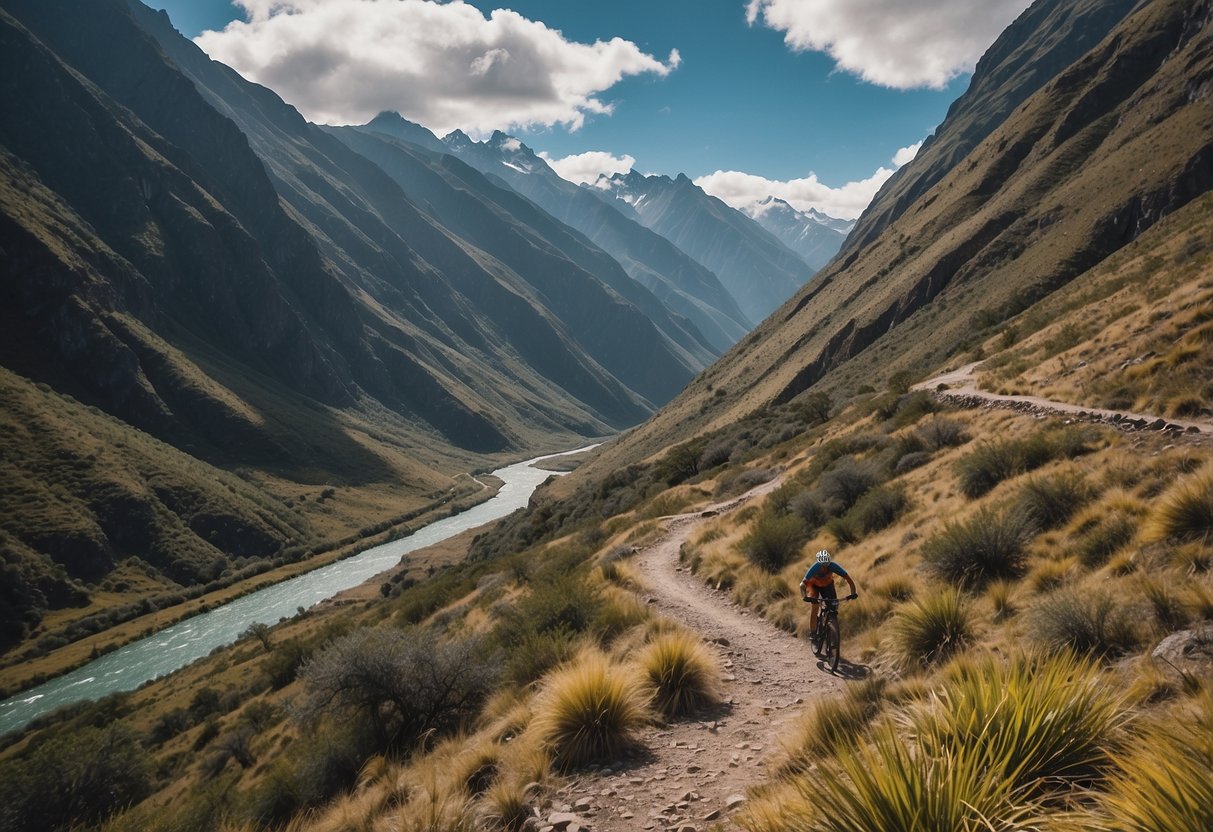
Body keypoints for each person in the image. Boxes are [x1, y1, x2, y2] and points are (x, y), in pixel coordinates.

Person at [800, 549, 858, 646]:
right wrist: (805, 596)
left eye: (826, 565)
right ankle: (813, 632)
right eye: (822, 565)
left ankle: (831, 627)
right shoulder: (814, 568)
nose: (824, 568)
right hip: (814, 586)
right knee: (815, 606)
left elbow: (849, 580)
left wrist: (853, 593)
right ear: (819, 563)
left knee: (833, 607)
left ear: (829, 563)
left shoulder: (833, 566)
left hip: (827, 585)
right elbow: (802, 585)